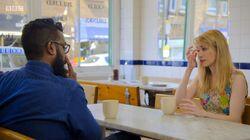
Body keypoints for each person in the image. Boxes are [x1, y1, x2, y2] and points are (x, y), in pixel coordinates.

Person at [0, 18, 101, 139]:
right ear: (51, 47)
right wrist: (73, 89)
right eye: (63, 48)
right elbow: (93, 136)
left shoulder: (3, 81)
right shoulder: (69, 90)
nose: (65, 56)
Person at [175, 30, 248, 123]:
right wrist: (189, 69)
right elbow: (179, 102)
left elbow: (235, 119)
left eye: (204, 49)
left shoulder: (237, 79)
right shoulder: (202, 77)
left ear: (219, 50)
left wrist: (203, 113)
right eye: (198, 50)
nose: (200, 55)